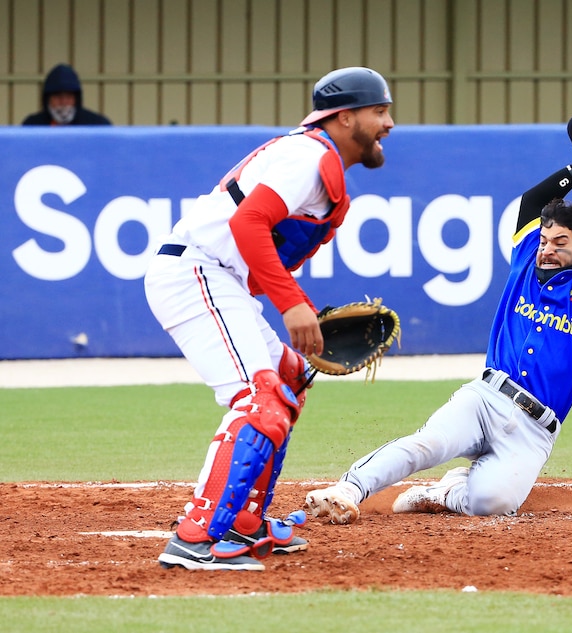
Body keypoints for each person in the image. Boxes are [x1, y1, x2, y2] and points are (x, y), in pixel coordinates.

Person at [304, 115, 572, 524]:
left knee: (493, 504)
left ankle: (449, 492)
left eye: (560, 242)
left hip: (535, 430)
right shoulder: (523, 262)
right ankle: (345, 490)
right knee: (427, 445)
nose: (546, 248)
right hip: (485, 398)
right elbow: (532, 203)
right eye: (545, 239)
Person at [143, 66, 395, 570]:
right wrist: (292, 303)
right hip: (195, 272)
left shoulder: (317, 160)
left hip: (218, 277)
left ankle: (244, 523)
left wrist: (283, 300)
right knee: (259, 399)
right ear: (345, 117)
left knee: (290, 376)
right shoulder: (308, 156)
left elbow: (257, 244)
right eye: (380, 111)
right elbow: (248, 221)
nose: (389, 123)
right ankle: (196, 538)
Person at [21, 63, 112, 126]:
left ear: (77, 99)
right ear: (47, 99)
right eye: (57, 97)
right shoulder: (32, 125)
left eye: (69, 97)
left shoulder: (96, 125)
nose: (64, 102)